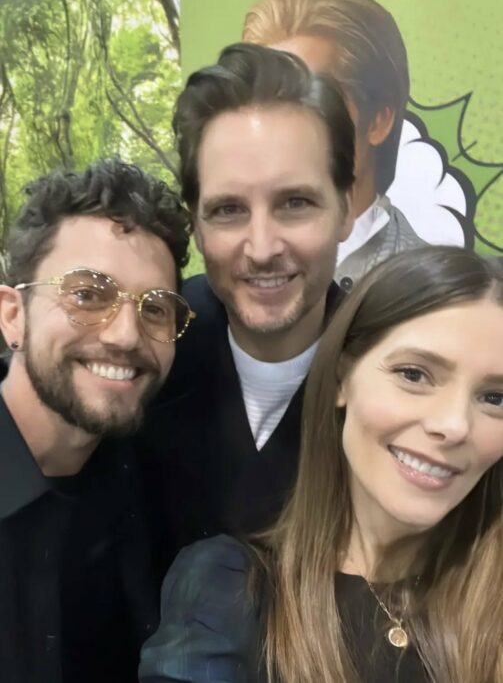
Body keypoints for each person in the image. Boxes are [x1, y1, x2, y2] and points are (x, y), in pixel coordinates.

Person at [139, 246, 503, 683]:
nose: (453, 425)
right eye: (414, 374)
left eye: (495, 398)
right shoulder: (230, 593)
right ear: (341, 379)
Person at [138, 42, 355, 581]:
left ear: (346, 210)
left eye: (295, 203)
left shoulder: (397, 372)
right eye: (229, 210)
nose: (261, 248)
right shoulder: (142, 348)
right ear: (196, 222)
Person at [0, 157, 194, 683]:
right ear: (12, 314)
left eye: (154, 308)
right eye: (87, 294)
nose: (126, 335)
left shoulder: (148, 479)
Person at [243, 0, 429, 287]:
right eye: (261, 103)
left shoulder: (438, 297)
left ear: (378, 121)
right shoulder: (215, 293)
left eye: (307, 100)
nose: (276, 129)